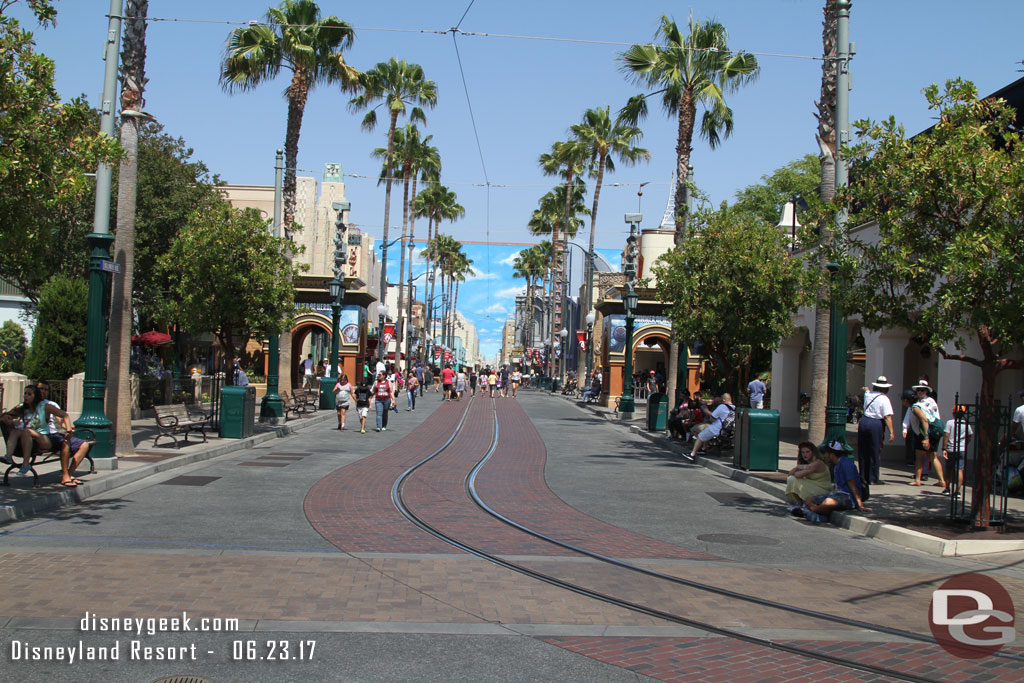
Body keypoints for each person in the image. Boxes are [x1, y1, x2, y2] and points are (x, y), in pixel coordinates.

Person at [3, 385, 73, 476]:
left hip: (44, 438)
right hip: (28, 437)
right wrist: (11, 421)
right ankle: (8, 456)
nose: (26, 396)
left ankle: (25, 464)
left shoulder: (45, 407)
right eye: (25, 393)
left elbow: (65, 415)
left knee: (26, 431)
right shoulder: (22, 407)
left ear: (35, 396)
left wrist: (68, 430)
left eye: (29, 394)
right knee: (16, 432)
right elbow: (5, 416)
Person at [795, 440, 870, 521]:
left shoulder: (846, 464)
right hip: (837, 494)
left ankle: (812, 512)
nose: (824, 455)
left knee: (828, 502)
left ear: (831, 454)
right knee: (809, 499)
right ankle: (816, 512)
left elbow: (853, 486)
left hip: (848, 497)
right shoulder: (836, 465)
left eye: (826, 453)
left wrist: (859, 503)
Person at [907, 383, 947, 488]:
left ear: (926, 391)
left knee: (921, 455)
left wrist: (926, 436)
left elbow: (925, 420)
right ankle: (941, 480)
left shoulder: (924, 403)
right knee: (931, 456)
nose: (920, 392)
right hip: (929, 431)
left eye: (922, 390)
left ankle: (918, 480)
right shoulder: (925, 401)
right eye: (918, 390)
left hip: (924, 432)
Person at [858, 375, 895, 486]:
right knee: (874, 451)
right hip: (875, 423)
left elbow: (867, 390)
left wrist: (866, 389)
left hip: (864, 421)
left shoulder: (868, 395)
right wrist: (892, 431)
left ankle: (863, 476)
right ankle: (873, 477)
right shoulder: (884, 399)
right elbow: (887, 416)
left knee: (863, 450)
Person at [688, 393, 735, 460]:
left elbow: (712, 417)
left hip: (717, 429)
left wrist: (706, 411)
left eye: (721, 400)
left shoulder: (722, 406)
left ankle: (692, 454)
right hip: (728, 430)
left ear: (724, 400)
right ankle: (704, 449)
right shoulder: (734, 408)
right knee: (707, 431)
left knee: (700, 436)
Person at [785, 442, 832, 506]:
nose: (805, 454)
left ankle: (801, 503)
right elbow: (790, 474)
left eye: (807, 452)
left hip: (823, 489)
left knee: (792, 480)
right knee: (791, 479)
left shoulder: (817, 463)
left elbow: (798, 475)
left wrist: (800, 467)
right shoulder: (805, 463)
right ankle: (800, 502)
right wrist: (798, 467)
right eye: (803, 452)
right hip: (812, 485)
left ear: (813, 452)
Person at [941, 404, 973, 495]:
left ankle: (947, 488)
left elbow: (946, 435)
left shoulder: (950, 422)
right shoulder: (966, 424)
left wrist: (944, 448)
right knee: (959, 470)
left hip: (951, 449)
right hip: (961, 449)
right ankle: (957, 491)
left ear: (954, 413)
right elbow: (970, 435)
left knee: (949, 469)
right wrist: (965, 443)